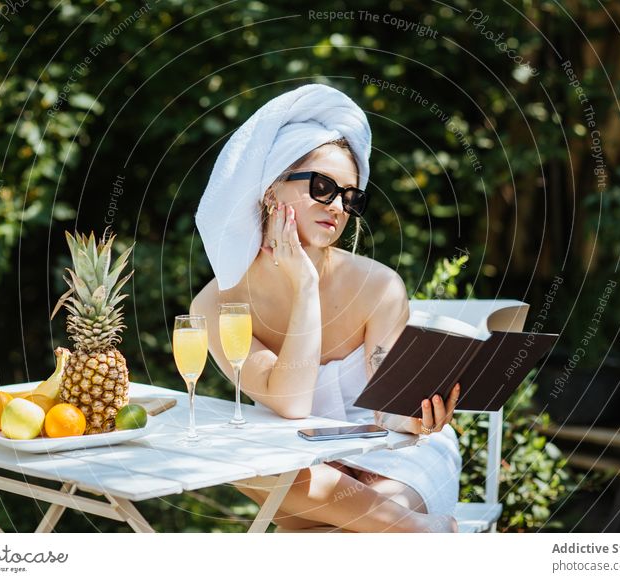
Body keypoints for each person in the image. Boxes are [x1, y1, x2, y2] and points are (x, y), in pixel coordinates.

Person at [192, 84, 461, 533]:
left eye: (351, 197)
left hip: (393, 456)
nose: (337, 207)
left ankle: (412, 531)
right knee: (248, 469)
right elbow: (292, 404)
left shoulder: (378, 286)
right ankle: (423, 533)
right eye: (322, 187)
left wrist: (419, 416)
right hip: (300, 463)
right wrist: (304, 287)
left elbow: (392, 415)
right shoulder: (217, 303)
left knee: (323, 534)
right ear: (271, 189)